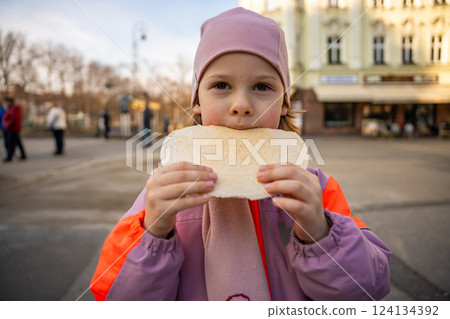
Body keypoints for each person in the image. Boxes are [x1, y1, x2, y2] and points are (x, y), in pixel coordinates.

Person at [90, 8, 391, 301]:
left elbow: (369, 290)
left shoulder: (316, 189)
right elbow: (117, 298)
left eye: (262, 86)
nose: (241, 105)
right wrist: (153, 233)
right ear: (197, 102)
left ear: (285, 103)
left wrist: (320, 233)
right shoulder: (167, 193)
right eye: (221, 85)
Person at [2, 97, 26, 162]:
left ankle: (9, 157)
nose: (5, 104)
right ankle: (23, 155)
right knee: (17, 142)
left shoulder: (13, 109)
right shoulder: (12, 109)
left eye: (6, 102)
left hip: (12, 129)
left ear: (10, 102)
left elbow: (12, 119)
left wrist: (6, 125)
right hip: (13, 128)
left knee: (10, 143)